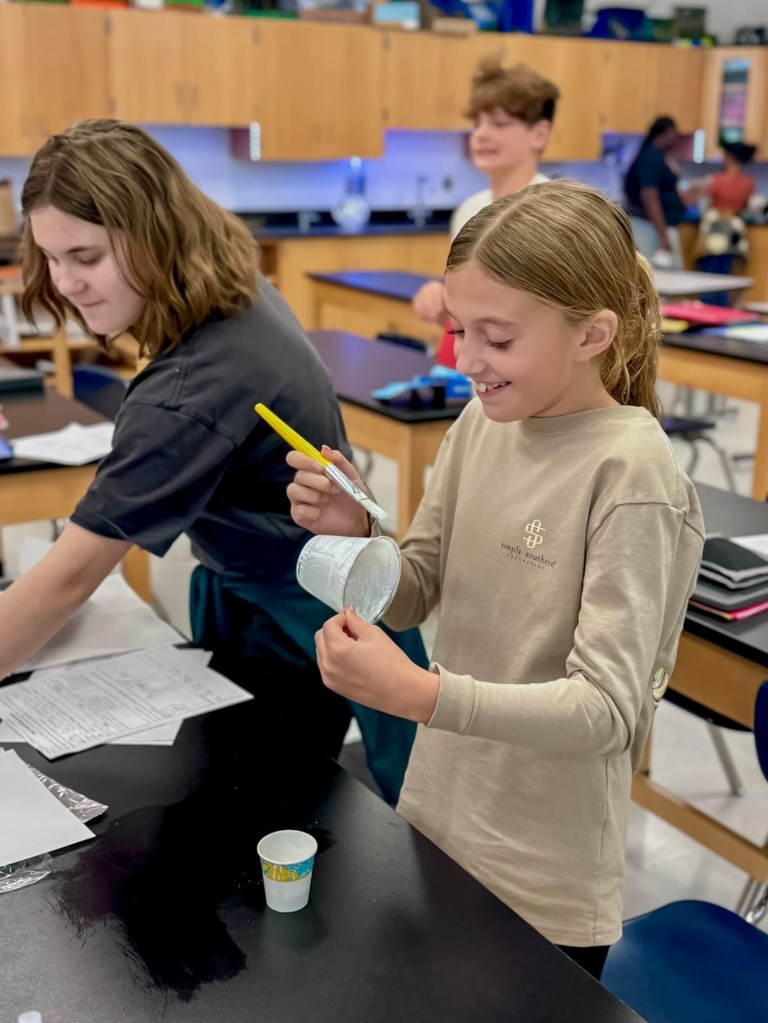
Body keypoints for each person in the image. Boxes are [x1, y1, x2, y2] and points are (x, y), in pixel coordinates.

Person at [286, 179, 704, 979]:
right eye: (458, 330)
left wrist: (422, 694)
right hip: (441, 820)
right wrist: (356, 534)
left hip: (544, 872)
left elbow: (608, 709)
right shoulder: (482, 421)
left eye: (497, 339)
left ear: (592, 334)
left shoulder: (632, 470)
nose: (464, 359)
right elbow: (416, 584)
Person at [0, 119, 425, 803]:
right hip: (270, 588)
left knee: (297, 815)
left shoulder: (193, 386)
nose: (66, 281)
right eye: (51, 257)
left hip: (304, 613)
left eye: (85, 255)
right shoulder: (222, 281)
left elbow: (69, 575)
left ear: (153, 234)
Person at [412, 59, 559, 365]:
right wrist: (442, 303)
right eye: (477, 123)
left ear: (539, 134)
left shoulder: (555, 216)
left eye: (499, 124)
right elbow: (470, 321)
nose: (480, 134)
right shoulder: (469, 210)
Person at [623, 115, 703, 270]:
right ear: (666, 132)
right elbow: (650, 197)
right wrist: (663, 235)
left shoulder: (658, 157)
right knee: (659, 278)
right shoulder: (650, 158)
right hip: (651, 228)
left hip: (659, 226)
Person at [697, 141, 757, 284]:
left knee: (709, 276)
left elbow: (703, 201)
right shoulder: (748, 182)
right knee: (726, 275)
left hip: (715, 230)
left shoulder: (717, 180)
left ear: (729, 157)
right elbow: (746, 207)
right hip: (734, 232)